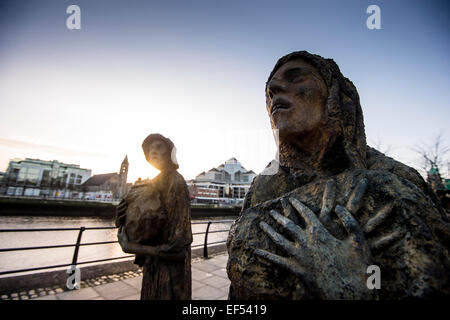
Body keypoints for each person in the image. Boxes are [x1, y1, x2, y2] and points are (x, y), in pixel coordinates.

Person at [226, 51, 450, 299]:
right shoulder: (261, 186)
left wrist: (349, 286)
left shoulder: (395, 181)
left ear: (335, 97)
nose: (275, 88)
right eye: (270, 92)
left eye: (296, 78)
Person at [116, 133, 192, 300]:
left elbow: (178, 249)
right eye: (150, 149)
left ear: (170, 153)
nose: (153, 151)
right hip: (152, 269)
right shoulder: (152, 183)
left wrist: (131, 247)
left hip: (170, 278)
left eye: (159, 147)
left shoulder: (176, 183)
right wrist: (124, 216)